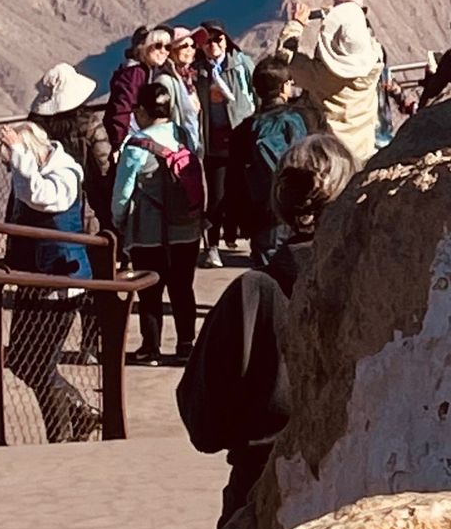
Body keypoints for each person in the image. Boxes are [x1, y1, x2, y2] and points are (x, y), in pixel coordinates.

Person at [177, 131, 356, 517]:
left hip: (259, 497)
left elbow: (202, 423)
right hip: (360, 494)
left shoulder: (251, 294)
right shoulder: (377, 289)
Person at [0, 119, 96, 439]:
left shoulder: (63, 174)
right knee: (22, 360)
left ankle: (67, 426)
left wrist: (19, 157)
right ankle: (77, 416)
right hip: (35, 281)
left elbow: (43, 197)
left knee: (38, 364)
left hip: (61, 282)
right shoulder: (27, 175)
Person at [110, 75, 205, 363]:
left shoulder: (136, 146)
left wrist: (119, 221)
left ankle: (150, 347)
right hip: (187, 228)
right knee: (182, 287)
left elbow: (123, 192)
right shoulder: (184, 135)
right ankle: (186, 344)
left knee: (150, 290)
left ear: (141, 111)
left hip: (149, 230)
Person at [275, 0, 384, 167]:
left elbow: (284, 55)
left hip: (331, 154)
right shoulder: (374, 66)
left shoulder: (319, 76)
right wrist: (342, 18)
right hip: (363, 151)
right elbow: (363, 38)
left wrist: (296, 24)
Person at [228, 60, 311, 265]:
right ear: (284, 87)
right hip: (297, 210)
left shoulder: (243, 130)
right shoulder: (301, 119)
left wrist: (233, 221)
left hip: (261, 215)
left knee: (267, 273)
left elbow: (233, 181)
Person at [191, 22, 254, 257]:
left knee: (241, 190)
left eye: (218, 39)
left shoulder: (241, 65)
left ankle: (242, 235)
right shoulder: (198, 72)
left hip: (240, 138)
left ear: (226, 41)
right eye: (208, 41)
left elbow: (255, 93)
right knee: (216, 195)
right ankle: (212, 245)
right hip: (212, 142)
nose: (214, 45)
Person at [29, 62, 114, 230]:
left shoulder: (36, 126)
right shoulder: (89, 123)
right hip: (85, 191)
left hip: (46, 193)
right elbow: (103, 159)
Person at [106, 25, 172, 149]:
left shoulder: (145, 70)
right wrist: (119, 144)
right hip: (130, 140)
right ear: (144, 47)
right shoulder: (134, 73)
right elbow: (121, 108)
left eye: (167, 47)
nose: (164, 51)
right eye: (157, 46)